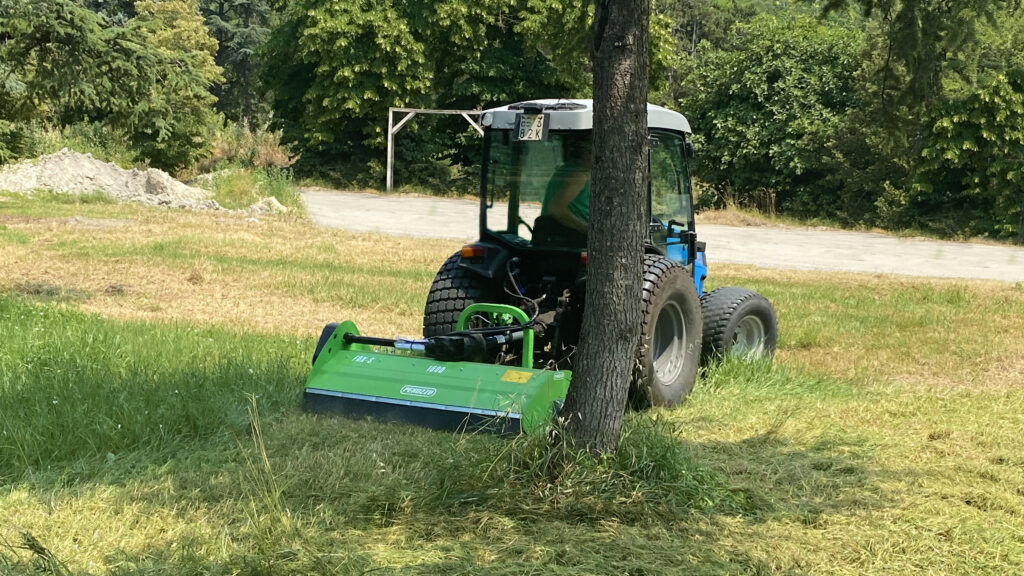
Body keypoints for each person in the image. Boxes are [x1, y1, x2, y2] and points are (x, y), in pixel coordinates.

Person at [540, 142, 591, 236]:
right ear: (586, 154)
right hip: (568, 237)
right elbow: (555, 208)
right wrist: (585, 228)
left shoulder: (565, 170)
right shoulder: (579, 176)